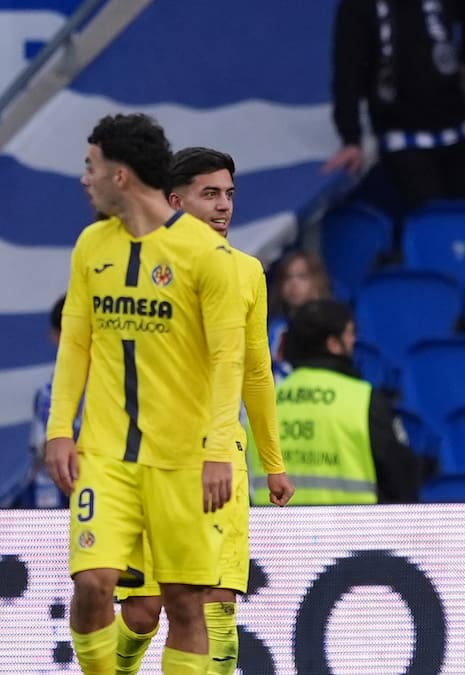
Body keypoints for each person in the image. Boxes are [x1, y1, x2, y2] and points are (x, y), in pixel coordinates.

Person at [45, 114, 245, 674]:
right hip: (107, 454)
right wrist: (60, 429)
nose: (85, 178)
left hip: (183, 458)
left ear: (121, 176)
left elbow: (230, 362)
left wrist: (218, 449)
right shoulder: (91, 245)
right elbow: (76, 343)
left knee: (183, 602)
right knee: (93, 582)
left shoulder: (207, 256)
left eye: (91, 166)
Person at [110, 148, 296, 675]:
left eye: (229, 194)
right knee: (144, 611)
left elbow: (256, 373)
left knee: (218, 607)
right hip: (149, 457)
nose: (223, 206)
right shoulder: (136, 267)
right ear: (175, 202)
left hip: (221, 459)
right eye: (209, 194)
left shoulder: (248, 272)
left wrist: (273, 462)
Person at [249, 299, 420, 504]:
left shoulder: (264, 403)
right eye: (349, 333)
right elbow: (401, 480)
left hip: (273, 523)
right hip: (350, 524)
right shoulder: (362, 400)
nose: (354, 340)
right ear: (333, 344)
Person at [324, 0, 465, 214]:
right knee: (431, 218)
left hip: (457, 128)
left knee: (464, 218)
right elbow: (347, 73)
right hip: (402, 136)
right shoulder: (359, 6)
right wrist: (351, 138)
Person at [18, 295, 72, 509]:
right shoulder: (47, 395)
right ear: (55, 337)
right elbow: (43, 451)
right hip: (55, 502)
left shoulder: (116, 390)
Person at [266, 250, 332, 381]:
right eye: (287, 277)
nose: (293, 284)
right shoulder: (275, 328)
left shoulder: (329, 324)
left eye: (302, 277)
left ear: (316, 281)